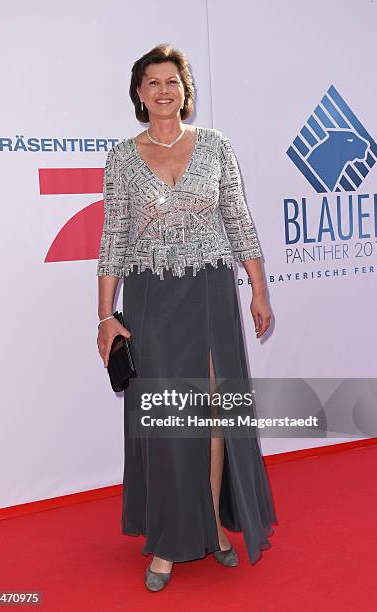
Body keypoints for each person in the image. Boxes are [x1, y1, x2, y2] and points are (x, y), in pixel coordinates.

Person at [96, 43, 277, 592]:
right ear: (138, 94)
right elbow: (113, 240)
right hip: (152, 297)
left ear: (185, 89)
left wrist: (259, 290)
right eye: (151, 82)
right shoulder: (122, 158)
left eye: (171, 80)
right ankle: (170, 543)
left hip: (211, 290)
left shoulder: (217, 147)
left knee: (216, 412)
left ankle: (214, 532)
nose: (163, 90)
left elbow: (239, 221)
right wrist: (105, 316)